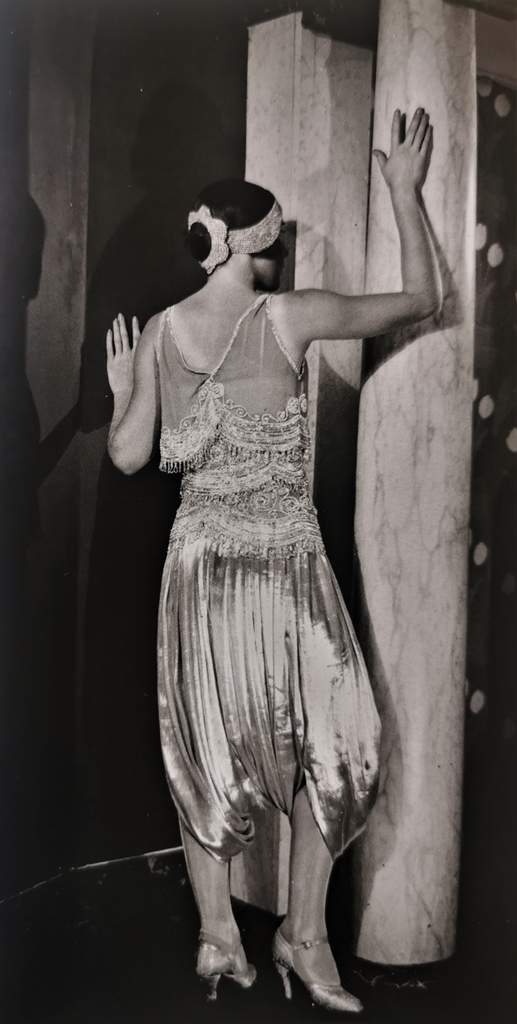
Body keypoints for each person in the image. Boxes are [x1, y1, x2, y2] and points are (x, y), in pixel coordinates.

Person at [106, 108, 441, 1013]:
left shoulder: (162, 330)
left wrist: (125, 387)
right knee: (328, 746)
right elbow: (421, 299)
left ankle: (224, 938)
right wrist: (403, 193)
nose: (282, 249)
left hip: (199, 572)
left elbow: (129, 456)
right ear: (257, 243)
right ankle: (300, 936)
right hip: (283, 567)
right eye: (277, 236)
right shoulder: (289, 314)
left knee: (205, 752)